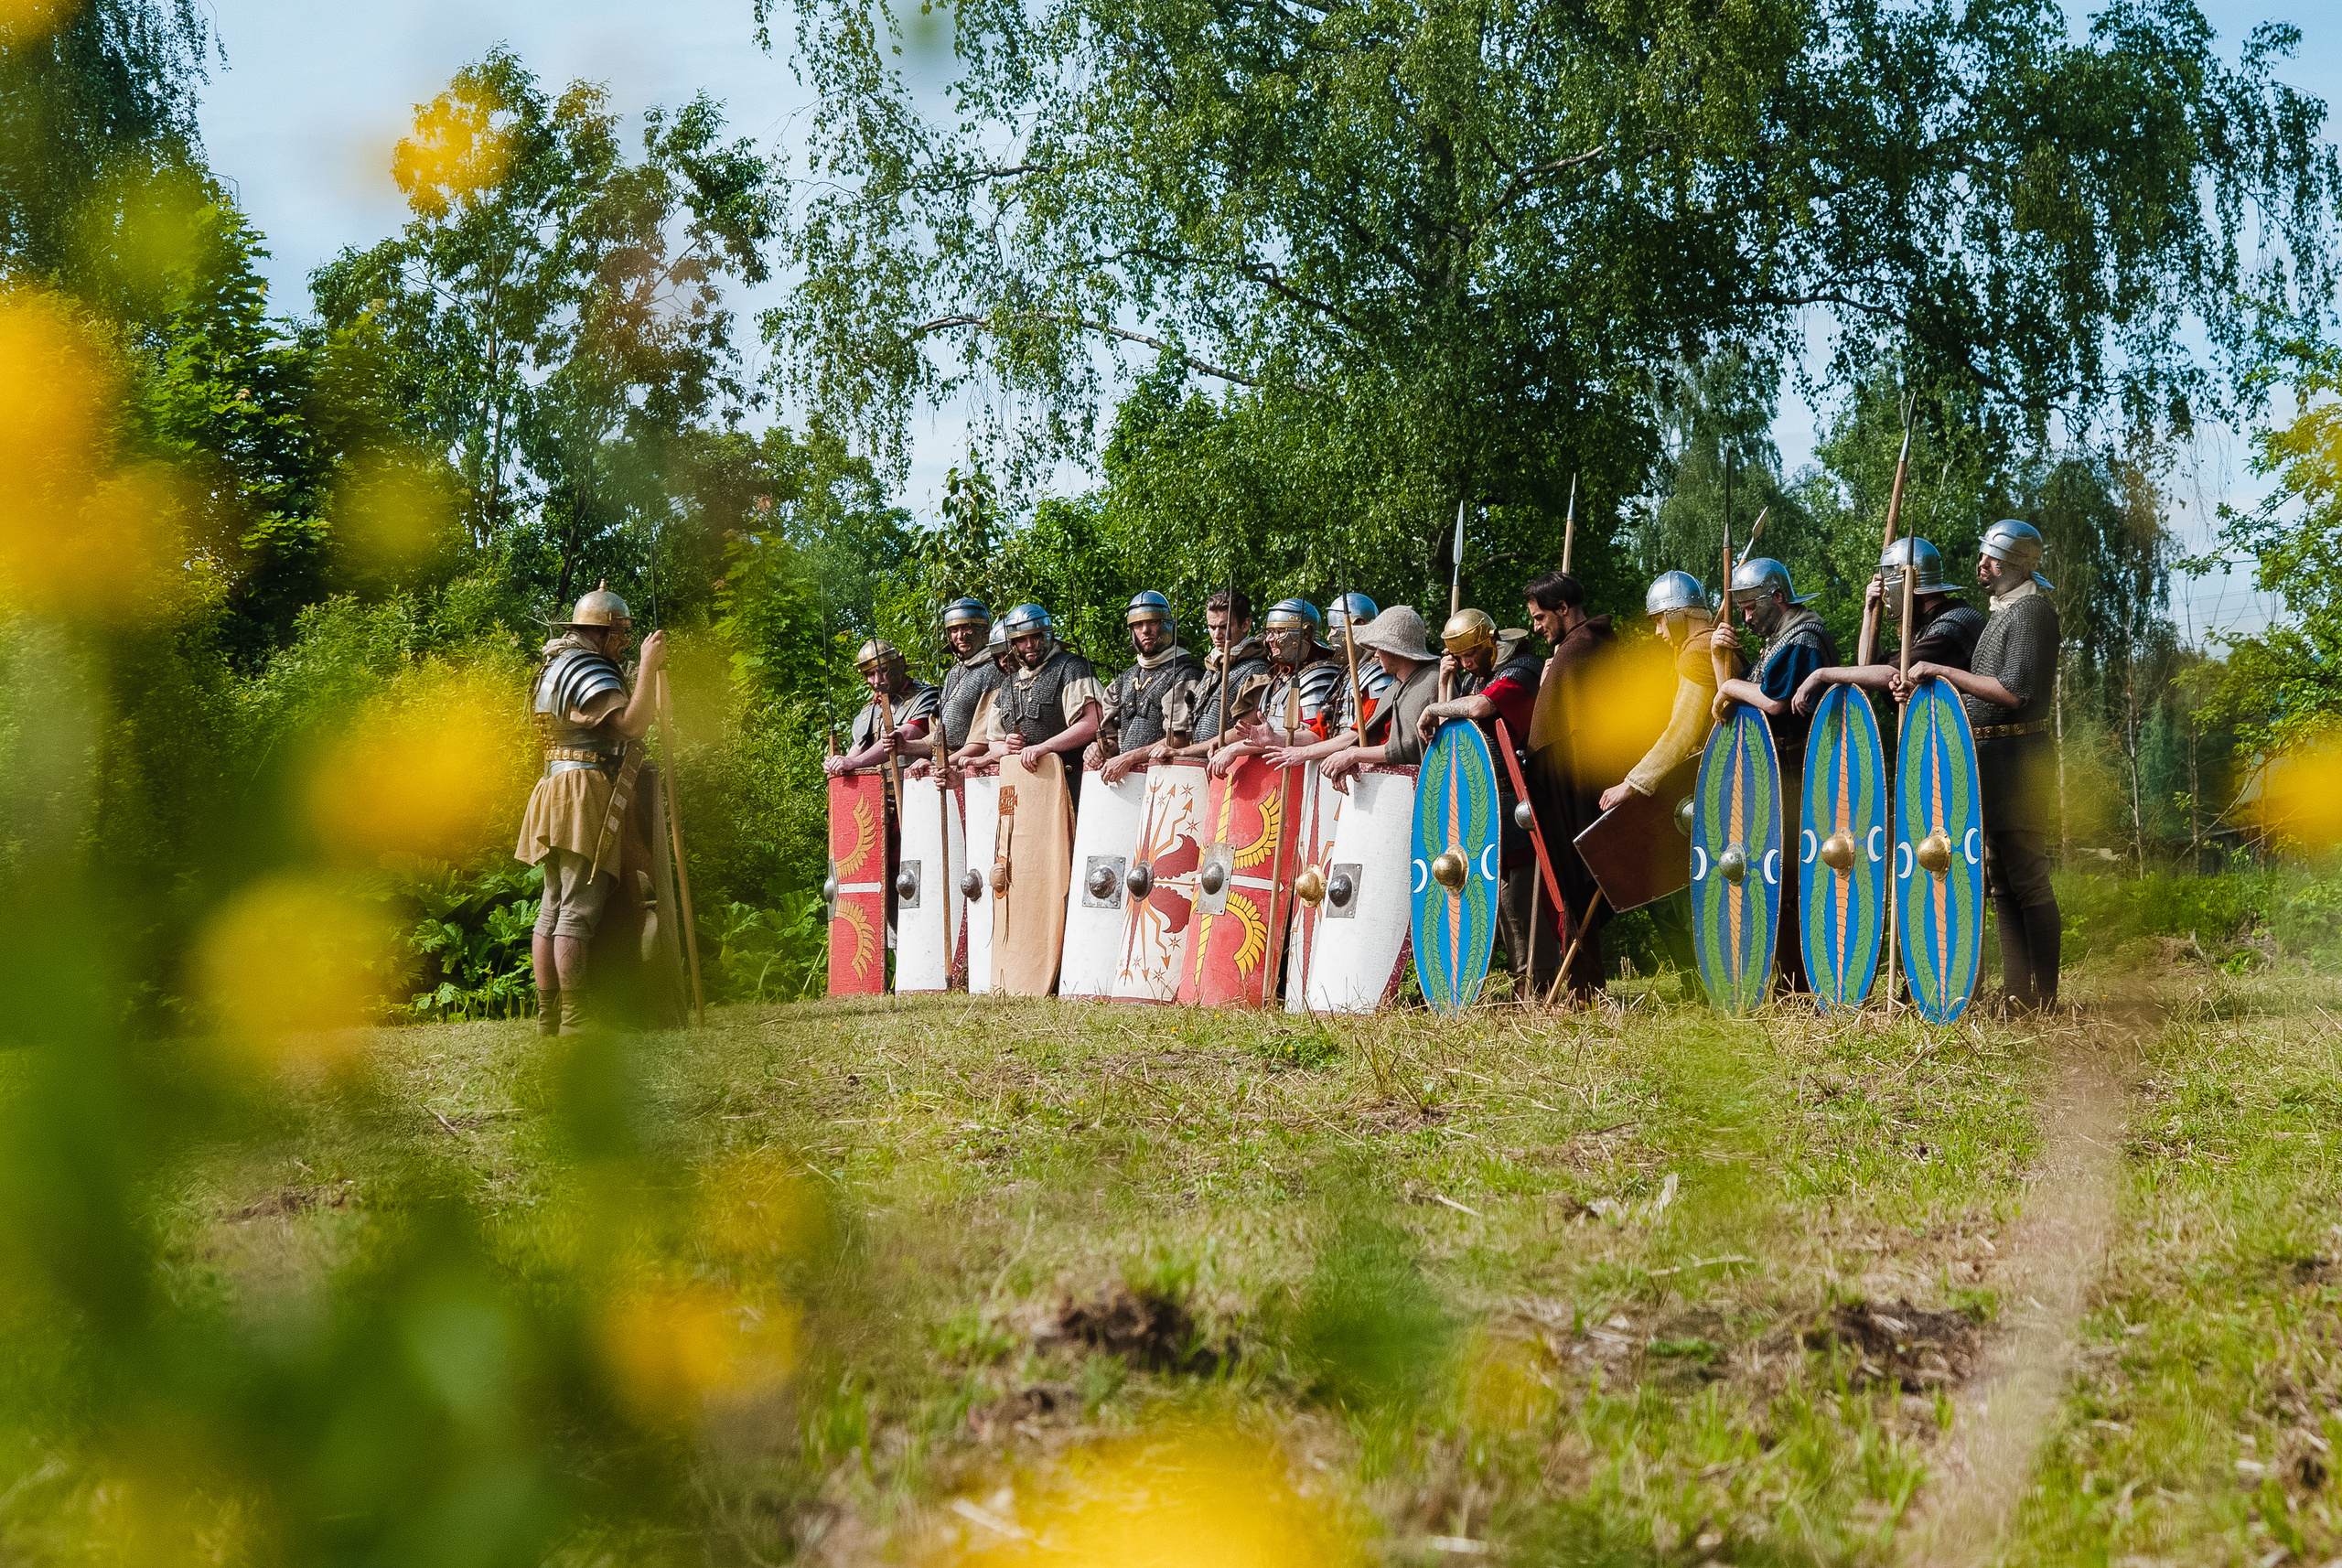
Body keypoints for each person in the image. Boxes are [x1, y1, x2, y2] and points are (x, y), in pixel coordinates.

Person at [1903, 519, 2062, 1013]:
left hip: (2018, 760)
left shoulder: (2032, 612)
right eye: (1982, 557)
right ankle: (2018, 992)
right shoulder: (2003, 614)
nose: (1981, 567)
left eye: (1991, 559)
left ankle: (2046, 996)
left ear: (2017, 565)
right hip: (1991, 761)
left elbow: (2014, 692)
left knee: (2028, 875)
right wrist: (1925, 687)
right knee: (1999, 879)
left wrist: (1940, 669)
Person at [514, 581, 669, 1036]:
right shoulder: (584, 668)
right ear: (596, 632)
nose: (623, 641)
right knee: (576, 907)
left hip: (555, 786)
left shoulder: (554, 664)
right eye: (619, 633)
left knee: (554, 904)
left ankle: (549, 1017)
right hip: (581, 791)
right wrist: (646, 667)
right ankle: (575, 1019)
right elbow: (633, 724)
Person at [1711, 556, 1839, 994]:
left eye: (1751, 608)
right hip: (1778, 773)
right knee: (1775, 876)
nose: (1746, 617)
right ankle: (1782, 982)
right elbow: (1732, 711)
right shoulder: (1777, 641)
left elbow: (1774, 702)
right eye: (1741, 609)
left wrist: (1728, 687)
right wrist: (1718, 662)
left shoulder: (1804, 638)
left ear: (1778, 597)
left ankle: (1799, 985)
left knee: (1793, 879)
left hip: (1801, 771)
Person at [1595, 570, 1720, 996]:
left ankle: (1702, 986)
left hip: (1704, 789)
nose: (1658, 631)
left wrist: (1631, 784)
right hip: (1711, 785)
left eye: (1662, 620)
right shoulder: (1710, 645)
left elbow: (1682, 734)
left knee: (1674, 891)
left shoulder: (1698, 653)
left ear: (1681, 615)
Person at [1417, 607, 1547, 998]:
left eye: (1470, 653)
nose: (1465, 662)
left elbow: (1478, 709)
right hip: (1486, 803)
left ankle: (1537, 985)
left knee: (1520, 899)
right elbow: (1451, 735)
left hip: (1518, 798)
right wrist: (1445, 683)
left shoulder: (1521, 668)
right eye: (1459, 656)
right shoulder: (1478, 675)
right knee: (1497, 900)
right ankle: (1520, 982)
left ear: (1490, 643)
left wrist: (1433, 706)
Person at [1521, 570, 1616, 1003]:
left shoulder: (1579, 652)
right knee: (1583, 892)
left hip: (1578, 790)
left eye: (1541, 617)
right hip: (1581, 786)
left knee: (1581, 888)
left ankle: (1584, 990)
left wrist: (1549, 682)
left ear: (1563, 609)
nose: (1536, 626)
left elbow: (1559, 737)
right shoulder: (1584, 646)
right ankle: (1583, 987)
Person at [1789, 539, 1983, 717]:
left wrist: (1821, 674)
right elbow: (1869, 666)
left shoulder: (1952, 624)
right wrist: (1870, 611)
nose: (1886, 594)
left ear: (1905, 582)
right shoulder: (1931, 622)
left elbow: (1891, 673)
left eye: (1889, 585)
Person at [966, 602, 1105, 809]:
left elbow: (1094, 721)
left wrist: (1045, 747)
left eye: (1036, 636)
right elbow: (993, 743)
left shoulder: (1072, 667)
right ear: (1013, 644)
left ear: (1047, 636)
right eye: (1022, 639)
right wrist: (1007, 746)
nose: (1030, 644)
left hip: (1071, 782)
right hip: (1023, 789)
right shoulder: (1008, 684)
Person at [1211, 598, 1344, 777]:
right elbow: (1264, 733)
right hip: (1275, 775)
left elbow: (1314, 736)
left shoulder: (1318, 677)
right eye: (1270, 632)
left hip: (1299, 777)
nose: (1270, 639)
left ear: (1306, 634)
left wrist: (1236, 749)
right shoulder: (1280, 677)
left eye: (1279, 632)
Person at [1090, 591, 1204, 785]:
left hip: (1167, 783)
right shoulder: (1123, 681)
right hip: (1128, 784)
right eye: (1137, 624)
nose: (1145, 630)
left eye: (1153, 622)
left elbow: (1180, 739)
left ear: (1167, 625)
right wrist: (1098, 749)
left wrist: (1130, 758)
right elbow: (1113, 742)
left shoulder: (1185, 674)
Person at [1320, 607, 1440, 785]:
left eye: (1379, 648)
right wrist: (1355, 756)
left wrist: (1353, 755)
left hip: (1422, 793)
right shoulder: (1394, 688)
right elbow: (1374, 737)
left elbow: (1409, 748)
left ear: (1394, 649)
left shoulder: (1431, 682)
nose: (1375, 654)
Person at [1164, 587, 1270, 759]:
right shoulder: (1213, 669)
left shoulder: (1256, 671)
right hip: (1204, 766)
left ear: (1245, 625)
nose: (1217, 634)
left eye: (1224, 627)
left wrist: (1183, 752)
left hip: (1232, 769)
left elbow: (1245, 730)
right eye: (1211, 627)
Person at [905, 597, 999, 777]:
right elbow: (938, 737)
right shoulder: (955, 672)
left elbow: (983, 740)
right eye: (954, 630)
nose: (960, 636)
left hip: (973, 771)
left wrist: (941, 763)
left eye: (967, 628)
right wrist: (904, 745)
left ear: (985, 629)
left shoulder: (994, 669)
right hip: (946, 769)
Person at [825, 639, 941, 779]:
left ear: (900, 664)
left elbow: (903, 736)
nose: (876, 681)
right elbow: (857, 752)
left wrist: (855, 762)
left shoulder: (926, 698)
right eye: (870, 674)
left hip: (915, 788)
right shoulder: (869, 712)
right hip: (877, 792)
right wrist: (837, 765)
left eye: (883, 670)